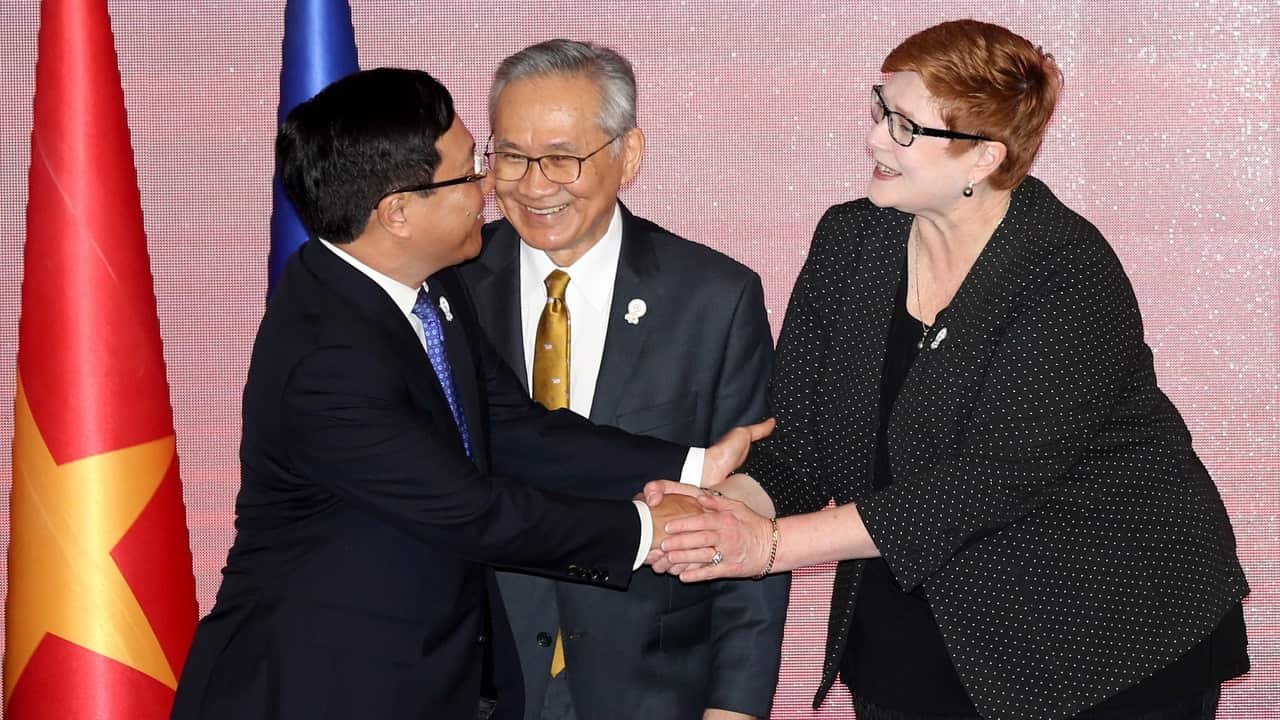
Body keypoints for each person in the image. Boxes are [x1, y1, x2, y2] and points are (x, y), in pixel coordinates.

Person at [650, 19, 1249, 720]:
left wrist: (769, 545)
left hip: (1103, 638)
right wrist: (725, 509)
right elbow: (803, 446)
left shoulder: (1066, 271)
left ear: (982, 158)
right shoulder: (849, 240)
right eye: (881, 108)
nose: (875, 137)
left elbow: (986, 481)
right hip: (915, 638)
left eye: (906, 127)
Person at [170, 67, 770, 720]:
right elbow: (474, 513)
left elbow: (512, 429)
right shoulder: (328, 359)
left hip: (430, 681)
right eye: (469, 174)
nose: (492, 186)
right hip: (320, 685)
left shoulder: (429, 286)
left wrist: (690, 466)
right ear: (397, 212)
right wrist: (652, 525)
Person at [459, 39, 789, 720]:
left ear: (628, 155)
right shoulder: (446, 292)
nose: (532, 183)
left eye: (561, 157)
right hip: (474, 683)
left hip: (651, 690)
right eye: (511, 156)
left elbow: (752, 512)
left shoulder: (714, 299)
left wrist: (735, 708)